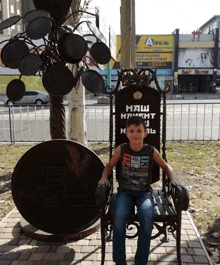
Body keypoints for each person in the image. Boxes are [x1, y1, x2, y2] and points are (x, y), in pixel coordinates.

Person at [98, 116, 177, 265]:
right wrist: (104, 177)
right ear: (126, 133)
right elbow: (109, 166)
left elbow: (166, 167)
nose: (135, 134)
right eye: (132, 131)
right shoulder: (121, 149)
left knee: (147, 216)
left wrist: (172, 178)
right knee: (119, 217)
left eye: (139, 130)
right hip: (125, 193)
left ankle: (141, 261)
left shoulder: (150, 151)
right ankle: (120, 261)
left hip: (144, 193)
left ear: (145, 133)